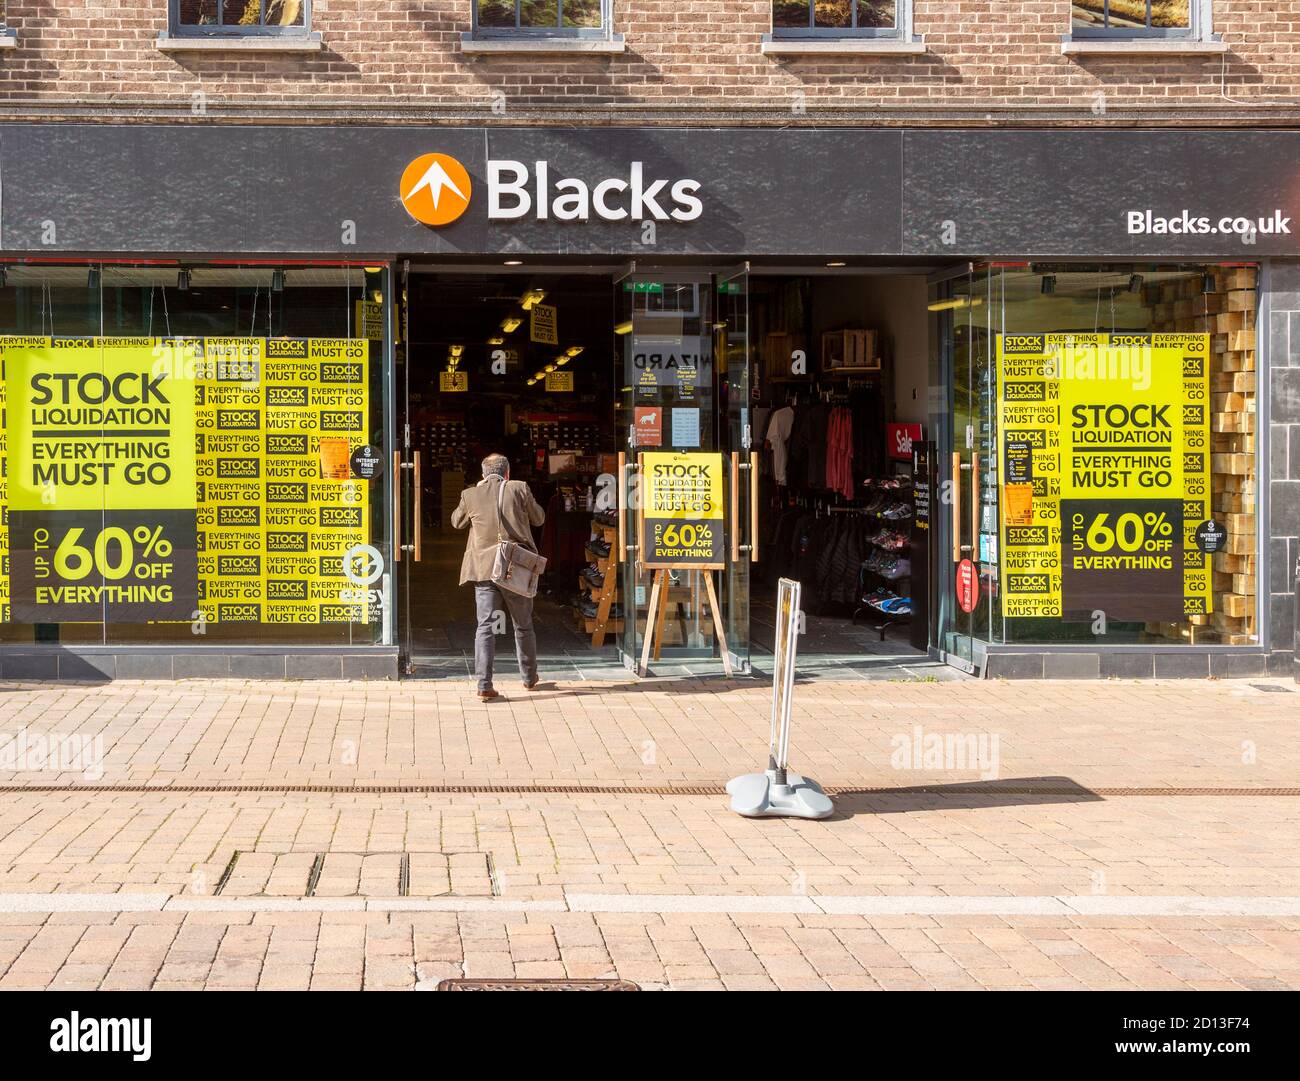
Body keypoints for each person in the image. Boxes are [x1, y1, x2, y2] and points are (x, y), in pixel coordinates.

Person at [451, 453, 547, 701]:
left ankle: (484, 684)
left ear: (483, 474)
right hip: (515, 567)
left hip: (484, 570)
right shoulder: (519, 488)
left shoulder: (470, 494)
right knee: (523, 625)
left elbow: (456, 522)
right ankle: (528, 678)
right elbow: (539, 518)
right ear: (507, 473)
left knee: (485, 627)